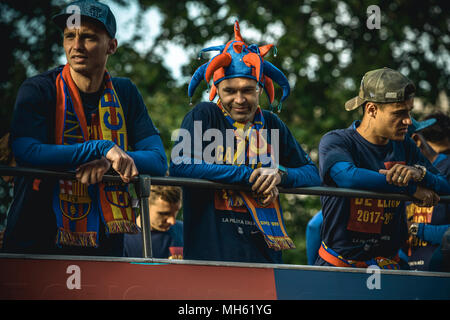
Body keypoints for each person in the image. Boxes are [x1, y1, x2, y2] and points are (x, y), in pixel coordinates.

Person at [2, 0, 167, 256]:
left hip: (107, 243)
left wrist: (108, 161)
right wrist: (100, 148)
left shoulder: (125, 92)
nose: (76, 46)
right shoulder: (38, 88)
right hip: (35, 235)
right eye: (69, 36)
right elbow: (27, 151)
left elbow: (158, 160)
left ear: (111, 45)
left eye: (88, 37)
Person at [169, 21, 321, 264]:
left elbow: (312, 174)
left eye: (248, 90)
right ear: (216, 88)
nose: (239, 99)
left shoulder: (272, 123)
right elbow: (179, 165)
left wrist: (280, 175)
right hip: (209, 257)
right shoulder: (204, 115)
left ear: (260, 88)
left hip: (265, 258)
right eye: (230, 91)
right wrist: (247, 175)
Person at [317, 67, 450, 270]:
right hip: (339, 269)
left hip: (390, 269)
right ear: (371, 109)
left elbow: (444, 185)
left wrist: (420, 174)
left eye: (409, 111)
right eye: (399, 113)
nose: (408, 120)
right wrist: (411, 189)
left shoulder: (404, 145)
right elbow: (349, 178)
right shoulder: (337, 141)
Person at [404, 117, 450, 270]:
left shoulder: (447, 168)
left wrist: (414, 228)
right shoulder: (401, 175)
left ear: (416, 141)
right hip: (408, 276)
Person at [123, 185, 183, 259]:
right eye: (164, 213)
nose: (172, 221)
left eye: (176, 212)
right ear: (144, 206)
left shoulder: (184, 231)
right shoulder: (123, 239)